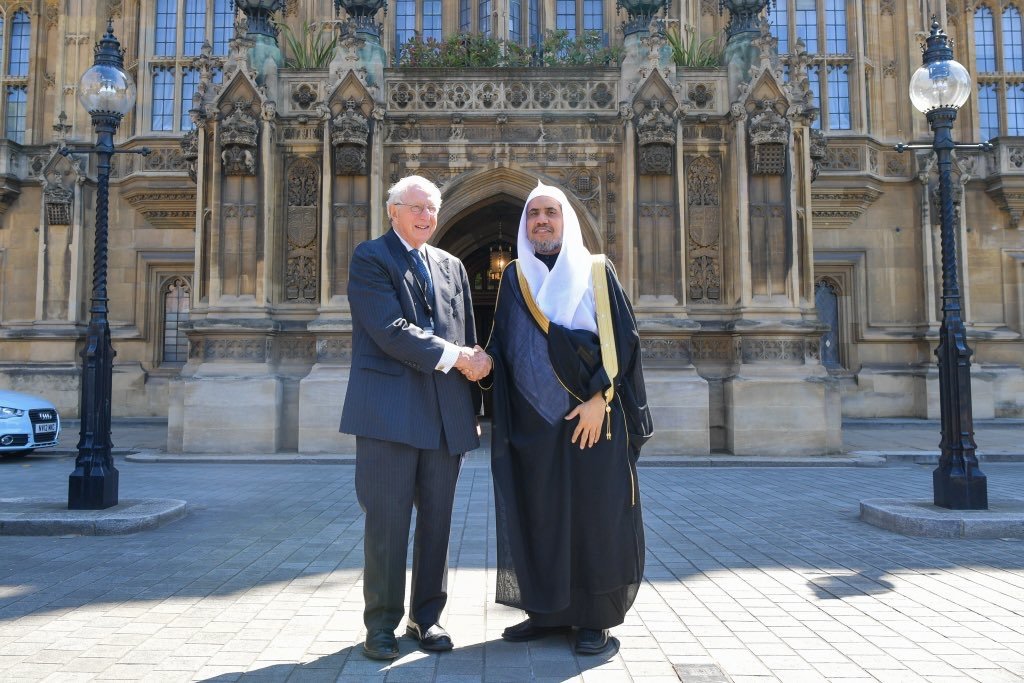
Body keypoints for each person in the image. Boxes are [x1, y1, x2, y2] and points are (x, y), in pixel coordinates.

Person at [483, 181, 653, 656]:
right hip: (536, 430)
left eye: (550, 213)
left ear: (566, 220)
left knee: (595, 519)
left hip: (593, 423)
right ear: (526, 224)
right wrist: (476, 365)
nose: (541, 220)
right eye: (533, 213)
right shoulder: (516, 281)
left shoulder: (597, 273)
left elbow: (625, 343)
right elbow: (504, 350)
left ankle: (592, 619)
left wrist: (601, 398)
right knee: (541, 518)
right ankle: (546, 611)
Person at [340, 175, 491, 660]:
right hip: (389, 414)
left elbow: (467, 333)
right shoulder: (371, 258)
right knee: (386, 524)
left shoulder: (451, 266)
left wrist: (471, 401)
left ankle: (427, 618)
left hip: (445, 417)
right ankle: (381, 625)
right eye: (417, 208)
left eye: (432, 209)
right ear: (394, 211)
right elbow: (390, 330)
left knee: (438, 525)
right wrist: (459, 357)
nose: (426, 217)